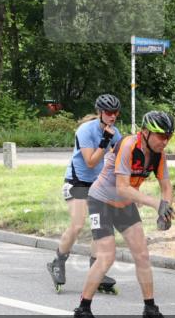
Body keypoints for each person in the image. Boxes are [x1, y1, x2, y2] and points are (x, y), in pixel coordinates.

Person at [70, 111, 175, 318]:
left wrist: (165, 210)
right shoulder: (129, 146)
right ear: (146, 132)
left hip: (125, 205)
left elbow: (166, 186)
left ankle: (150, 309)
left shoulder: (159, 155)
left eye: (168, 136)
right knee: (106, 257)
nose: (165, 141)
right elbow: (122, 188)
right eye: (160, 136)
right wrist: (155, 204)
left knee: (142, 255)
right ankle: (83, 310)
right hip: (101, 202)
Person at [47, 94, 123, 294]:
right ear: (100, 113)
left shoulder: (116, 133)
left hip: (98, 184)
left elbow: (119, 159)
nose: (112, 116)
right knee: (78, 224)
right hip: (77, 182)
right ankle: (58, 261)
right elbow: (91, 162)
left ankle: (95, 269)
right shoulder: (85, 131)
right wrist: (105, 140)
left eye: (115, 113)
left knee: (100, 227)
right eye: (108, 112)